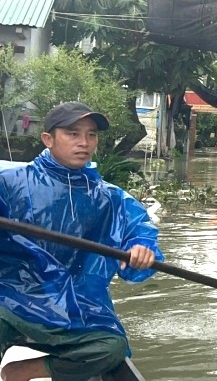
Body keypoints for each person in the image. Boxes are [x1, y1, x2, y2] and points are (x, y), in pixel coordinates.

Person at [0, 102, 163, 381]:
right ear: (48, 140)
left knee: (112, 348)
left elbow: (140, 232)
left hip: (73, 305)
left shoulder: (109, 197)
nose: (84, 143)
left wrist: (141, 250)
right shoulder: (11, 181)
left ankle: (23, 370)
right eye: (73, 133)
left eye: (92, 135)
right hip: (9, 296)